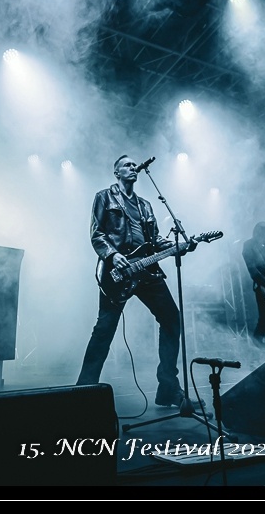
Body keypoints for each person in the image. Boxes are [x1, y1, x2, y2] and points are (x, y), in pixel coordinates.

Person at [76, 154, 195, 407]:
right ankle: (83, 389)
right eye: (127, 165)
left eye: (134, 165)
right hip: (118, 272)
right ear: (116, 172)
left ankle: (168, 388)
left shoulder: (146, 205)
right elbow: (97, 234)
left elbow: (155, 240)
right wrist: (112, 254)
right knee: (104, 329)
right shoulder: (104, 197)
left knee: (172, 320)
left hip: (148, 271)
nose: (133, 167)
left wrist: (179, 245)